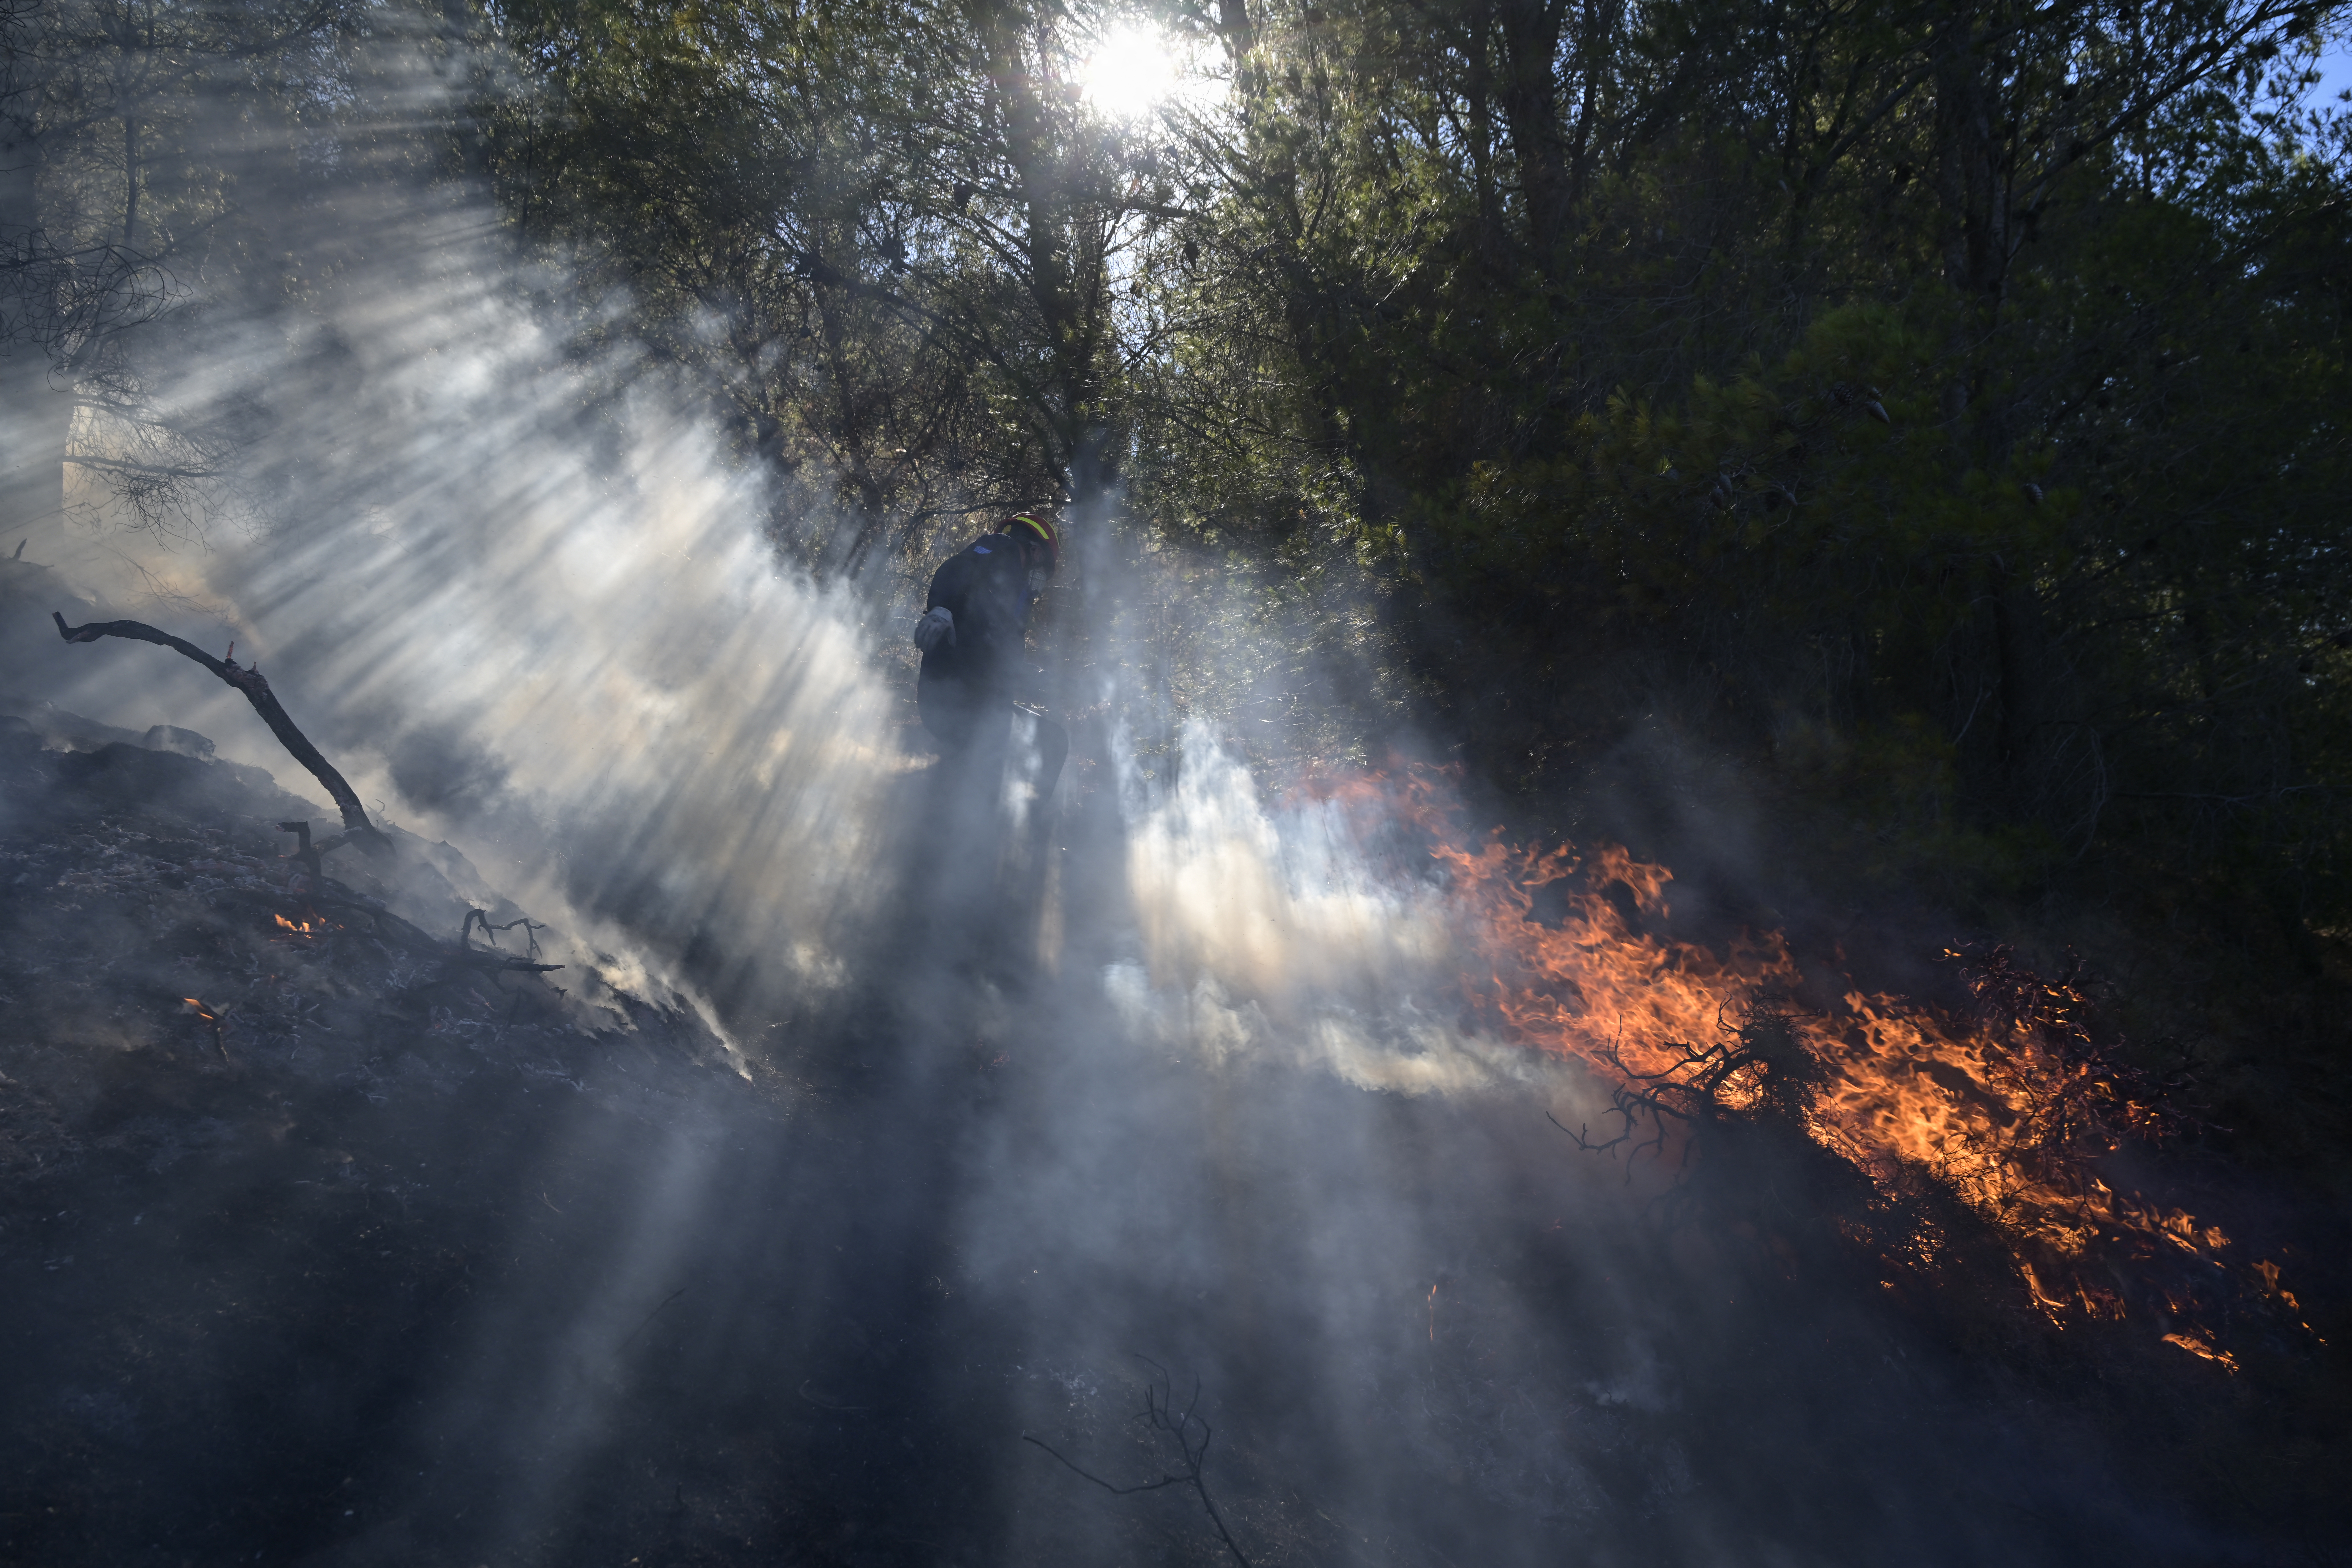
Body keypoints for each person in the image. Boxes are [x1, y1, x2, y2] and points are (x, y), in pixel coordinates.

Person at [912, 511, 1067, 808]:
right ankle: (1019, 830)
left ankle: (1008, 827)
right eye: (1043, 569)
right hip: (958, 701)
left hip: (979, 706)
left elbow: (1002, 664)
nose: (1039, 580)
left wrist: (1044, 680)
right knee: (1046, 743)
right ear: (1035, 551)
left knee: (1051, 740)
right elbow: (956, 568)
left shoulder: (1012, 603)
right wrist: (941, 608)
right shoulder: (1002, 548)